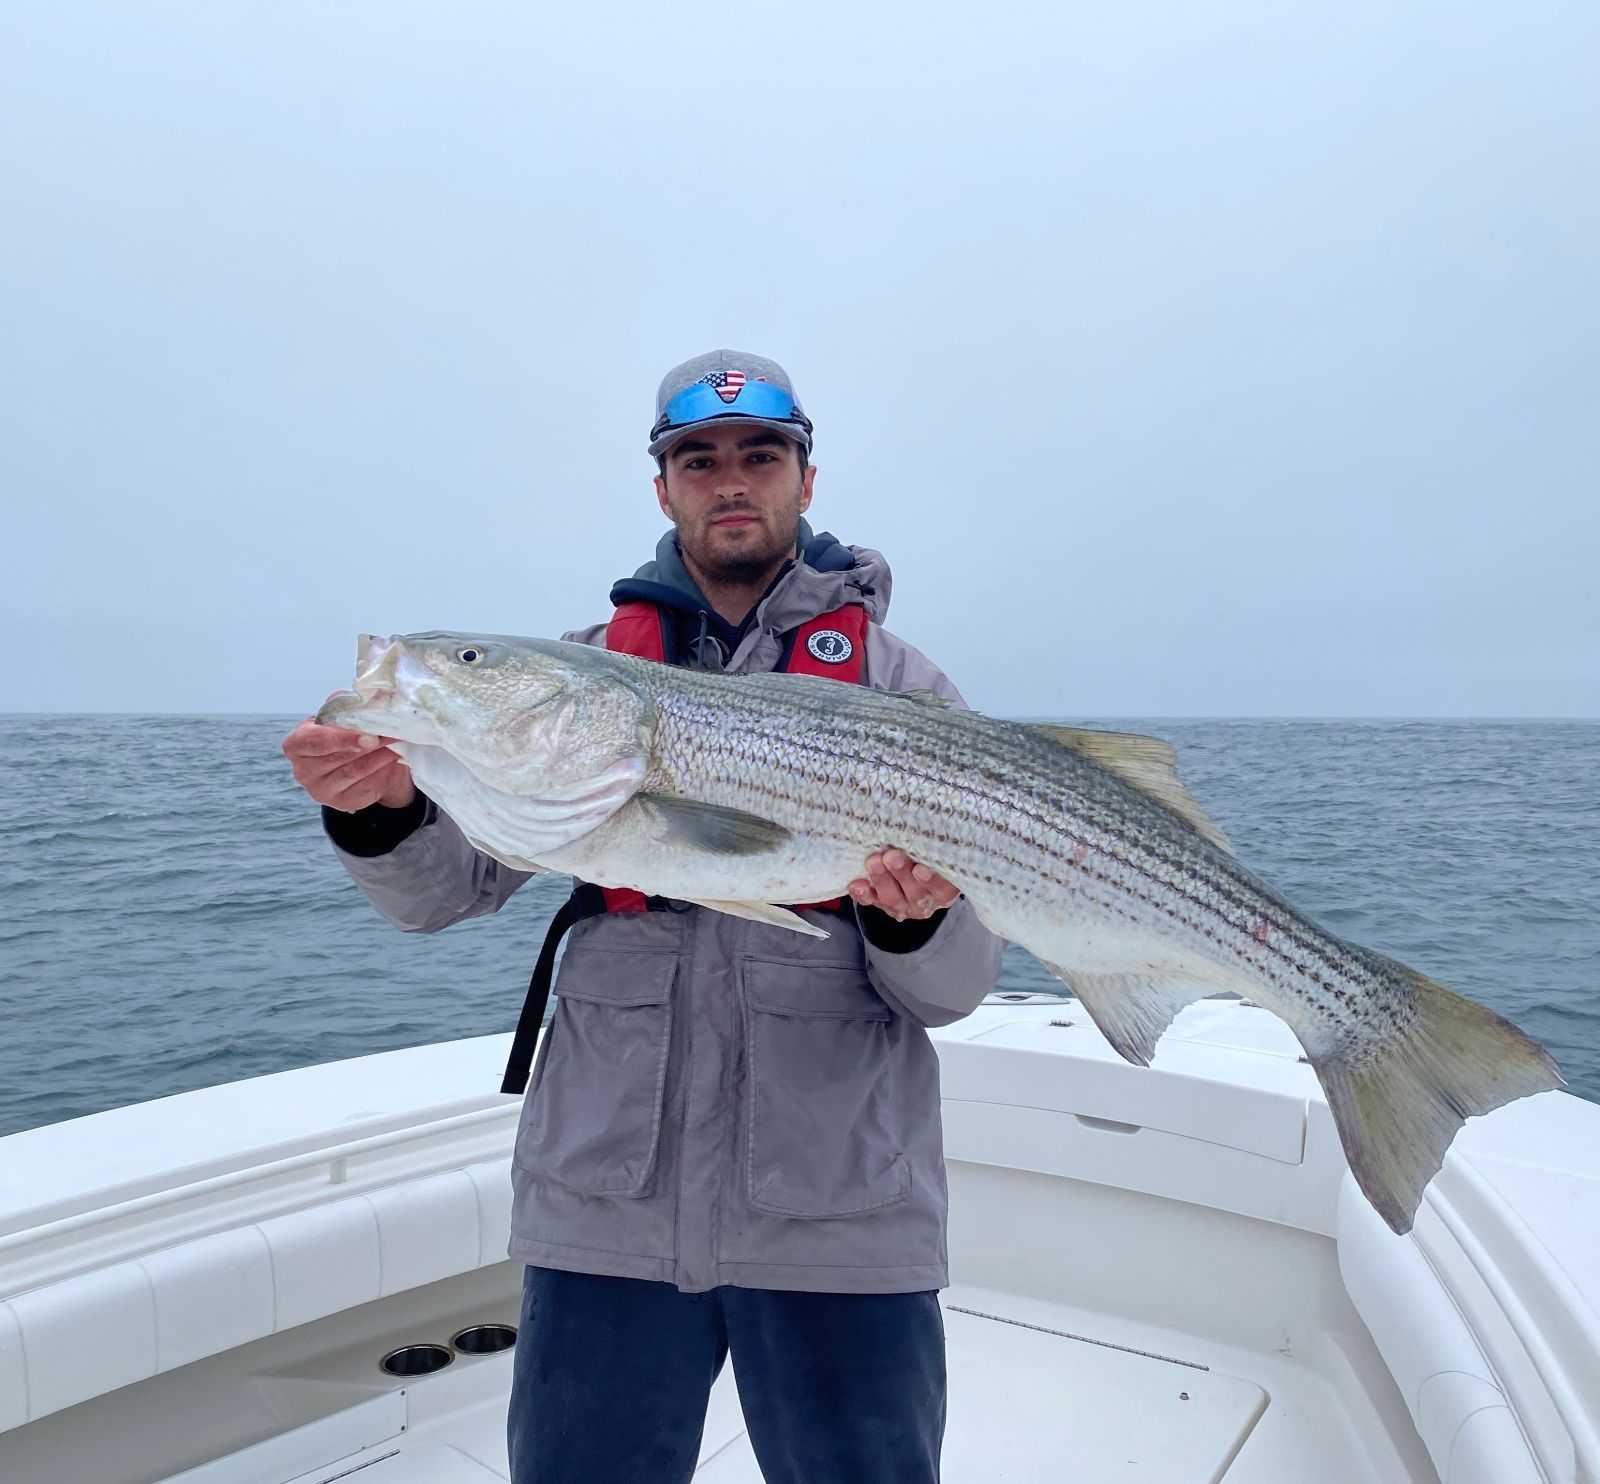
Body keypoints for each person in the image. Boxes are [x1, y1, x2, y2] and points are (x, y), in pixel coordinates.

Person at [282, 349, 1004, 1483]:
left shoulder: (902, 694)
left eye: (759, 456)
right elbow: (438, 896)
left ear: (805, 480)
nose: (730, 481)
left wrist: (914, 924)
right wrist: (378, 813)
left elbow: (949, 989)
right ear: (661, 487)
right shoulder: (576, 681)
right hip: (603, 1205)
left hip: (838, 1209)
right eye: (697, 459)